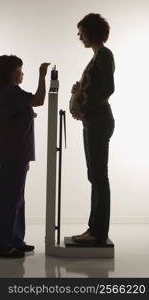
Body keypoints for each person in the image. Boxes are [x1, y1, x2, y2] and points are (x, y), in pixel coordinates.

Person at [0, 55, 50, 257]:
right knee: (9, 198)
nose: (22, 73)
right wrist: (42, 75)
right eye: (20, 69)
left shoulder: (10, 92)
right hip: (11, 154)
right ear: (10, 73)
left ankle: (15, 240)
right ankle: (3, 246)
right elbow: (39, 100)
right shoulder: (10, 92)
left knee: (16, 198)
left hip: (16, 154)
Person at [70, 13, 115, 245]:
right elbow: (97, 86)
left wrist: (84, 107)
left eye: (82, 32)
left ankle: (98, 232)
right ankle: (93, 229)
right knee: (94, 175)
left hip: (98, 120)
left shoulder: (104, 55)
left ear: (92, 31)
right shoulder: (97, 56)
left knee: (98, 176)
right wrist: (81, 89)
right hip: (94, 120)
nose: (79, 36)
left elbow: (109, 88)